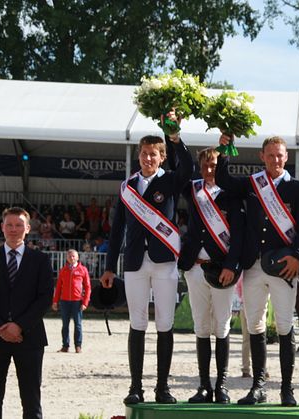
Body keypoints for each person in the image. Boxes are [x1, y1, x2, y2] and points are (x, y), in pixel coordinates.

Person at [100, 113, 192, 405]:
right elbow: (116, 231)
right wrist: (108, 267)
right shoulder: (127, 187)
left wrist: (175, 137)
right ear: (138, 156)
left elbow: (188, 168)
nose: (148, 158)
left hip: (164, 260)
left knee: (164, 322)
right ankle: (136, 387)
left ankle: (162, 388)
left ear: (162, 157)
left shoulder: (171, 181)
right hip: (136, 262)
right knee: (137, 322)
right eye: (144, 154)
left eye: (154, 154)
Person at [215, 134, 299, 407]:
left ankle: (287, 389)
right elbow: (223, 181)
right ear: (262, 157)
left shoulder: (297, 189)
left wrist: (297, 256)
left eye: (280, 155)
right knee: (255, 326)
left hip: (284, 266)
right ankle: (258, 386)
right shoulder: (252, 184)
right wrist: (224, 150)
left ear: (287, 157)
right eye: (270, 155)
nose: (275, 159)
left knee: (284, 325)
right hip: (253, 265)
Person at [177, 147, 244, 404]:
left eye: (214, 164)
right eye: (205, 164)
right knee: (201, 326)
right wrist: (175, 139)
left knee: (222, 326)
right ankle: (204, 385)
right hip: (196, 267)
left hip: (222, 269)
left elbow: (238, 234)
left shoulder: (231, 195)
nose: (209, 169)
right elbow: (179, 166)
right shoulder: (193, 189)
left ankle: (222, 384)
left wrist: (231, 265)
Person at [0, 207, 54, 419]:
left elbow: (45, 298)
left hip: (30, 338)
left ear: (28, 228)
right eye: (10, 225)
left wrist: (19, 326)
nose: (14, 229)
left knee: (31, 401)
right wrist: (0, 326)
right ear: (2, 227)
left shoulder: (40, 260)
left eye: (19, 225)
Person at [52, 249, 91, 353]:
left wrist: (85, 302)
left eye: (73, 256)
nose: (71, 258)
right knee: (65, 325)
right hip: (64, 301)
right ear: (66, 258)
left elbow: (88, 287)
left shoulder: (83, 270)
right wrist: (55, 301)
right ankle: (65, 346)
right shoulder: (63, 270)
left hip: (77, 301)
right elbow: (59, 287)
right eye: (69, 256)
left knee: (78, 325)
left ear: (77, 257)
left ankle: (78, 346)